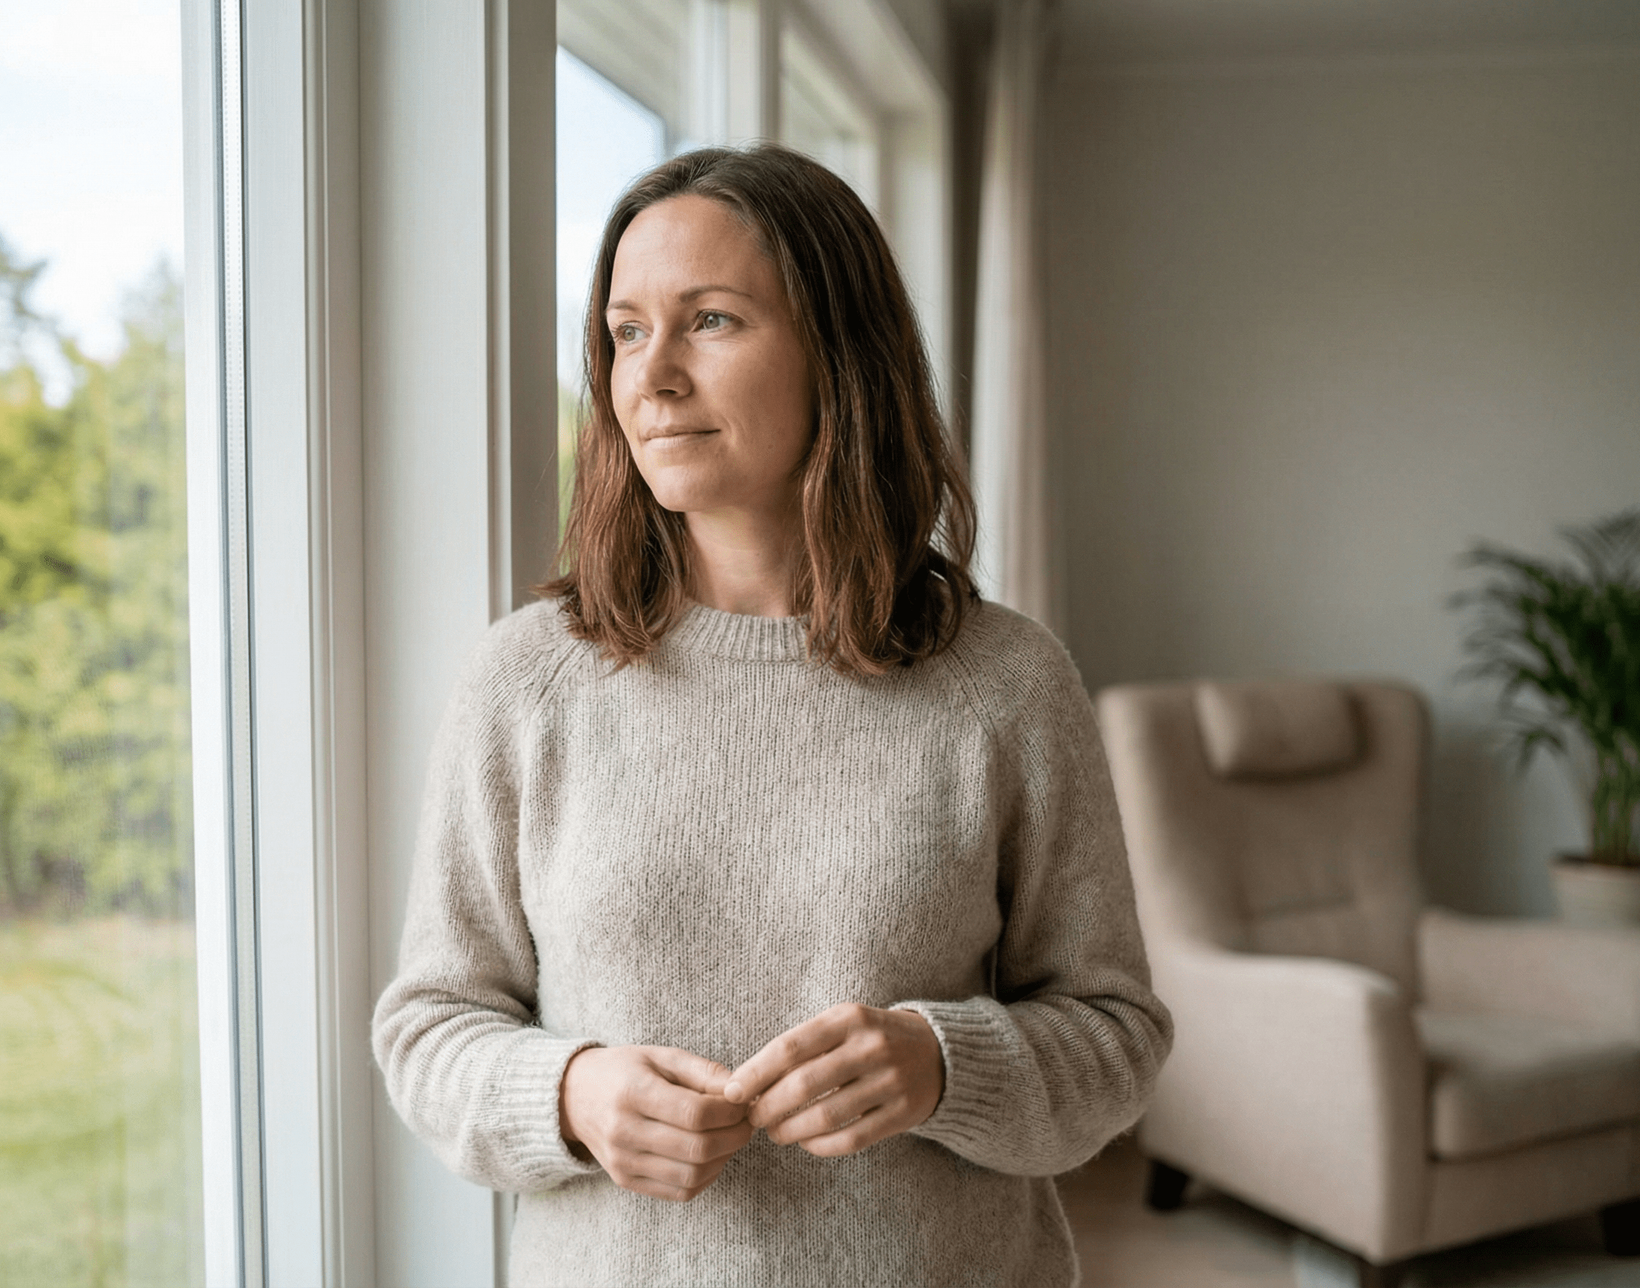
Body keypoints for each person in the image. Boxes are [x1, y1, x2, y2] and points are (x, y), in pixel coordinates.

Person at [372, 142, 1171, 1287]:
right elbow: (430, 1025)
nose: (650, 379)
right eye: (626, 332)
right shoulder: (525, 680)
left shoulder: (1007, 685)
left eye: (711, 320)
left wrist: (944, 1064)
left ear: (840, 354)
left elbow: (1116, 1034)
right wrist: (571, 1091)